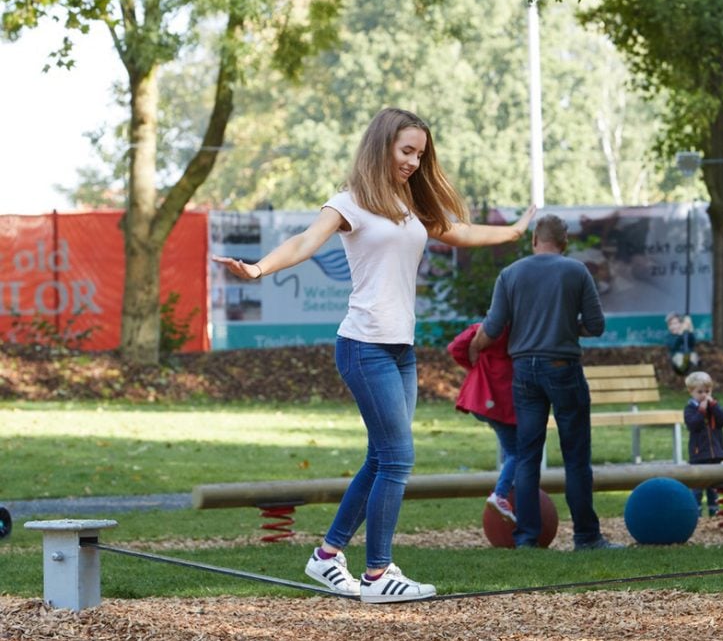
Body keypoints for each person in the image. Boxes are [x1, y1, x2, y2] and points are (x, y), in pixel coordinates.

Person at [213, 107, 535, 602]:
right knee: (398, 458)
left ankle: (326, 557)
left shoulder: (409, 205)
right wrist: (258, 270)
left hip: (399, 349)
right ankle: (378, 575)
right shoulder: (349, 203)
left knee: (382, 456)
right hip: (363, 346)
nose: (413, 161)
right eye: (406, 150)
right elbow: (305, 241)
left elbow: (460, 231)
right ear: (382, 145)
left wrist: (513, 232)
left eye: (420, 154)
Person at [468, 214, 622, 550]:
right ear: (564, 243)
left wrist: (472, 348)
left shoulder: (510, 274)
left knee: (527, 456)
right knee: (576, 457)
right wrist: (567, 327)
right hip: (562, 367)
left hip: (524, 373)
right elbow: (595, 325)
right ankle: (586, 536)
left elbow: (492, 328)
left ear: (535, 240)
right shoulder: (576, 271)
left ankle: (526, 538)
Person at [447, 322, 517, 524]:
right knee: (518, 451)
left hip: (480, 398)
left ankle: (508, 485)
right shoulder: (515, 329)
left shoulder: (484, 327)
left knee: (509, 446)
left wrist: (474, 366)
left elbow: (456, 347)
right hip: (500, 400)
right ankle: (501, 494)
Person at [683, 370, 723, 516]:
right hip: (699, 454)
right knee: (697, 486)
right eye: (700, 392)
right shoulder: (690, 408)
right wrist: (701, 412)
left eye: (707, 391)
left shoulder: (714, 406)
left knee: (713, 485)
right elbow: (692, 425)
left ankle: (714, 509)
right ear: (691, 392)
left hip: (714, 453)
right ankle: (695, 512)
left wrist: (713, 406)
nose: (704, 395)